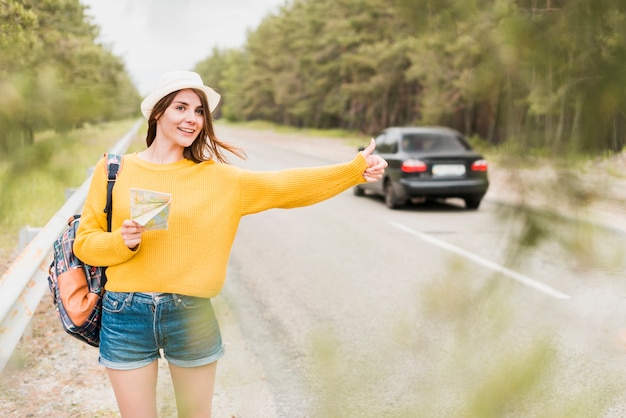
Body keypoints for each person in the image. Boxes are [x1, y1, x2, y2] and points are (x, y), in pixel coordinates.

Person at [74, 70, 387, 417]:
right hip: (124, 313)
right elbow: (84, 244)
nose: (192, 119)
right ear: (158, 112)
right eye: (181, 107)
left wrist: (353, 170)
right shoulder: (114, 169)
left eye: (199, 112)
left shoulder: (219, 179)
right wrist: (122, 242)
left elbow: (287, 187)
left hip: (190, 314)